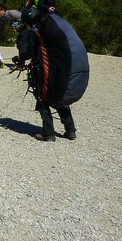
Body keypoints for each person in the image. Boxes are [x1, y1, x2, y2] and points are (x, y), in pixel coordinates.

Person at [14, 7, 89, 142]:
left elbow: (30, 52)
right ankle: (70, 130)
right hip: (67, 70)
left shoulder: (37, 32)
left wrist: (20, 59)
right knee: (59, 97)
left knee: (42, 97)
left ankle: (48, 133)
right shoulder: (50, 23)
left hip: (51, 69)